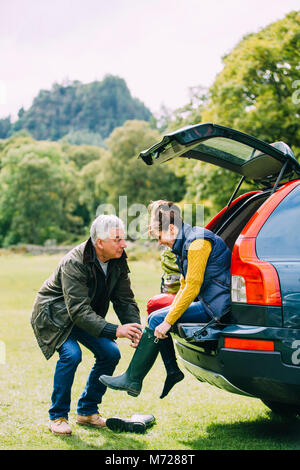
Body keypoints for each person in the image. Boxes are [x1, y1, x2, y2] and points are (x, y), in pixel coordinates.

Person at [100, 201, 232, 399]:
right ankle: (168, 372)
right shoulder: (188, 242)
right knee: (156, 318)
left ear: (171, 228)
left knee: (156, 319)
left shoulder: (197, 243)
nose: (160, 242)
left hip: (216, 309)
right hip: (209, 303)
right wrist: (166, 320)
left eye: (159, 236)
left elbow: (192, 287)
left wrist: (168, 321)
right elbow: (185, 285)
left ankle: (135, 379)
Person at [31, 214, 142, 436]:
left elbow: (124, 299)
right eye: (117, 239)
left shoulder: (118, 259)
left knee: (110, 353)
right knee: (71, 355)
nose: (123, 244)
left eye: (123, 238)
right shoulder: (75, 261)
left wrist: (134, 328)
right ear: (99, 242)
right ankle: (58, 417)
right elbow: (78, 311)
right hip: (55, 317)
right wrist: (117, 330)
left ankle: (87, 412)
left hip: (81, 315)